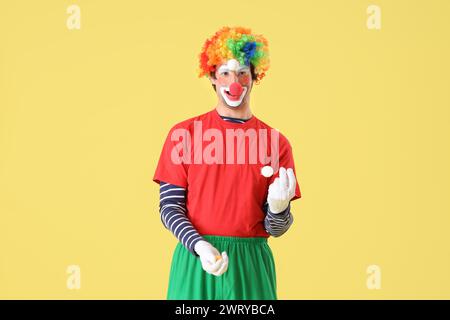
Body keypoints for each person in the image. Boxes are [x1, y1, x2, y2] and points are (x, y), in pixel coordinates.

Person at [153, 26, 302, 300]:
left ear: (254, 78)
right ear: (212, 77)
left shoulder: (276, 143)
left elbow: (275, 229)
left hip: (252, 263)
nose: (234, 81)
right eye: (224, 72)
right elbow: (168, 207)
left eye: (242, 72)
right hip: (195, 259)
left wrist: (280, 210)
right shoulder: (183, 135)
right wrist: (198, 245)